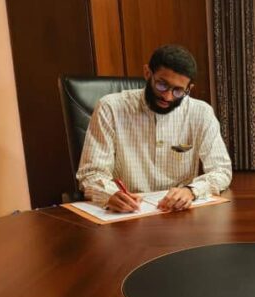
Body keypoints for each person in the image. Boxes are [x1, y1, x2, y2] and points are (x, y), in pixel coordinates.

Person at [77, 44, 233, 213]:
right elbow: (91, 174)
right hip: (127, 214)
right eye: (162, 85)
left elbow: (221, 171)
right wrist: (110, 194)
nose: (167, 96)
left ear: (189, 89)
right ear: (147, 73)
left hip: (178, 214)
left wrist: (191, 191)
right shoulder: (110, 108)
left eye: (178, 90)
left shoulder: (201, 113)